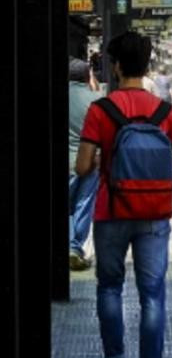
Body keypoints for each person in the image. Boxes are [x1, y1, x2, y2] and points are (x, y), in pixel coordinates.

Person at [76, 31, 172, 358]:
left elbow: (81, 168)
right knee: (152, 293)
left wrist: (104, 159)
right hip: (154, 213)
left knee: (110, 287)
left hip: (111, 210)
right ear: (146, 67)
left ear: (114, 66)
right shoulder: (164, 111)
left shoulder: (101, 110)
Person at [68, 58, 102, 270]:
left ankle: (68, 245)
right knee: (83, 204)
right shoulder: (95, 100)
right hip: (89, 161)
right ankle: (74, 247)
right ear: (87, 76)